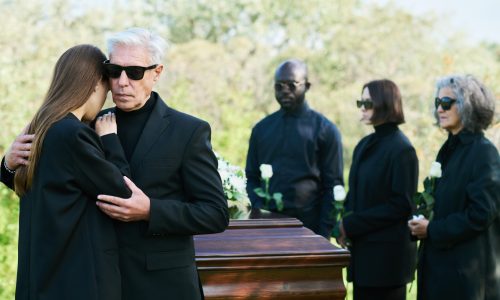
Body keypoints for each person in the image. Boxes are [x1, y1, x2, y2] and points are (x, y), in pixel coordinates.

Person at [2, 28, 229, 299]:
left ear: (156, 73)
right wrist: (8, 165)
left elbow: (214, 213)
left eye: (134, 72)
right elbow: (50, 184)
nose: (122, 82)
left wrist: (151, 211)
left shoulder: (189, 131)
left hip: (162, 286)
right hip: (96, 282)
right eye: (113, 70)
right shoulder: (86, 123)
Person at [0, 44, 132, 299]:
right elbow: (122, 191)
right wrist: (110, 140)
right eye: (106, 88)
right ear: (94, 83)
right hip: (78, 283)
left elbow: (29, 184)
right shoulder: (73, 134)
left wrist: (6, 166)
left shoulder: (41, 127)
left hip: (42, 280)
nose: (105, 99)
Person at [408, 75, 499, 300]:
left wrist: (432, 229)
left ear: (469, 105)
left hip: (466, 280)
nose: (440, 109)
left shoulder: (483, 152)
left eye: (447, 103)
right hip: (438, 272)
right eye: (437, 103)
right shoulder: (448, 149)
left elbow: (481, 214)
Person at [338, 79, 418, 300]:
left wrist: (351, 224)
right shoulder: (364, 145)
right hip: (364, 254)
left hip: (387, 261)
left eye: (368, 103)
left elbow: (401, 205)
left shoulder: (402, 149)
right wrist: (343, 223)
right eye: (360, 102)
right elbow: (355, 194)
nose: (362, 108)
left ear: (385, 104)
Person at [245, 59, 343, 239]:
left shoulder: (325, 130)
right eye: (279, 86)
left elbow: (333, 185)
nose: (285, 91)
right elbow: (251, 177)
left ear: (307, 86)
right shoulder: (261, 129)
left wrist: (322, 234)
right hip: (266, 227)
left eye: (291, 85)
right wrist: (259, 213)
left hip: (310, 227)